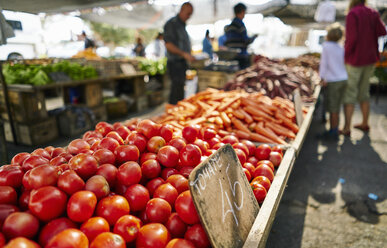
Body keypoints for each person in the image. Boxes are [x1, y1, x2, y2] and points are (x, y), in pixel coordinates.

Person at [341, 0, 386, 136]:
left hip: (355, 59)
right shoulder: (372, 12)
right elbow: (382, 31)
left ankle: (347, 128)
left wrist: (344, 55)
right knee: (364, 91)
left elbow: (352, 39)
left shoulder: (352, 14)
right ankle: (365, 123)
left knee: (350, 93)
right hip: (370, 58)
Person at [318, 23, 348, 140]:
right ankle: (334, 128)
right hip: (343, 79)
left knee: (333, 108)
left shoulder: (326, 46)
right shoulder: (341, 47)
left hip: (333, 81)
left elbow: (324, 64)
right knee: (337, 106)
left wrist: (322, 78)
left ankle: (333, 132)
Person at [163, 2, 195, 104]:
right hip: (175, 63)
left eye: (191, 14)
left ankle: (178, 113)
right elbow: (168, 45)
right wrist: (184, 54)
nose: (189, 16)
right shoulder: (172, 24)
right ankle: (172, 113)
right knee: (176, 91)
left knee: (180, 91)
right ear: (182, 10)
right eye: (188, 13)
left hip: (182, 64)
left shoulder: (182, 25)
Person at [224, 3, 257, 69]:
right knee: (244, 75)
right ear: (242, 11)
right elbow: (246, 41)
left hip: (232, 57)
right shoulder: (240, 25)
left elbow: (227, 43)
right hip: (241, 57)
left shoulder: (229, 27)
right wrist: (254, 37)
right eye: (244, 12)